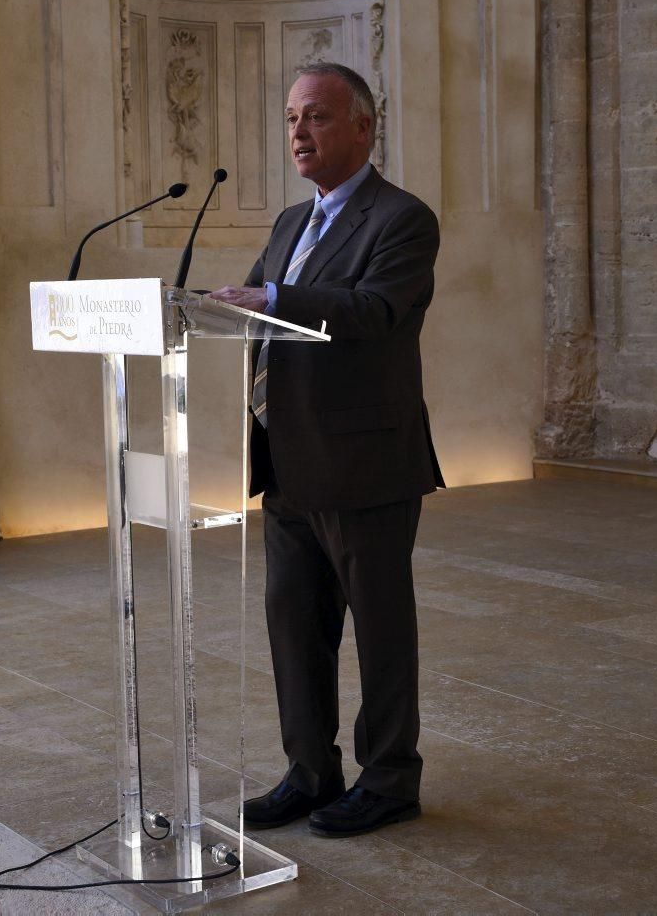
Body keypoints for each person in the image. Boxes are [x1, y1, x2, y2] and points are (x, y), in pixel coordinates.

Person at [210, 63, 444, 838]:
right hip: (288, 460)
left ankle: (390, 780)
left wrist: (272, 299)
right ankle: (311, 772)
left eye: (314, 116)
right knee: (294, 625)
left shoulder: (402, 219)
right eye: (290, 119)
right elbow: (250, 307)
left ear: (363, 127)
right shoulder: (288, 223)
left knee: (380, 631)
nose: (298, 133)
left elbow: (374, 312)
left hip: (364, 462)